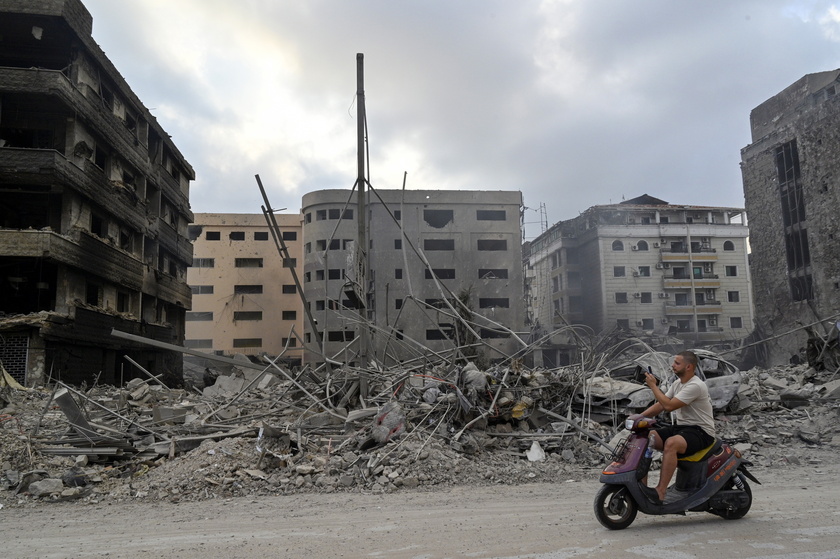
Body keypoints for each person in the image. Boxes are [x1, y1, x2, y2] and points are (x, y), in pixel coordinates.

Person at [640, 350, 715, 503]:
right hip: (683, 428)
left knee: (671, 443)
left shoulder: (695, 385)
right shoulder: (677, 383)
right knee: (646, 438)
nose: (672, 366)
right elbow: (660, 405)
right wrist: (639, 418)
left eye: (677, 363)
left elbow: (668, 406)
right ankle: (641, 487)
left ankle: (660, 491)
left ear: (689, 367)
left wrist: (653, 386)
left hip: (701, 431)